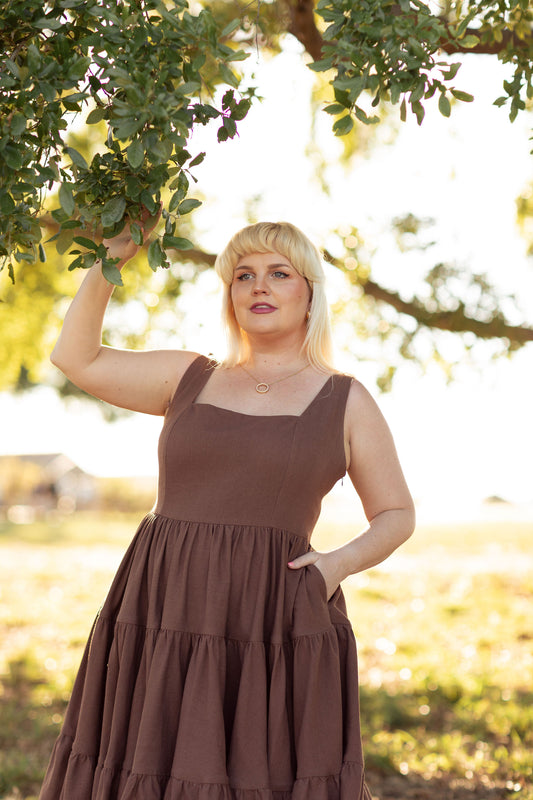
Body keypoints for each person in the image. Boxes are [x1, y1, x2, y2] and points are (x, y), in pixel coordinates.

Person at [39, 219, 415, 800]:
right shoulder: (188, 377)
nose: (258, 286)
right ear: (230, 294)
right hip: (162, 601)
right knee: (146, 759)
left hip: (269, 614)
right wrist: (112, 258)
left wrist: (334, 566)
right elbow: (76, 356)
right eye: (243, 275)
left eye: (279, 273)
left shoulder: (346, 399)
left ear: (310, 293)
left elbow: (395, 513)